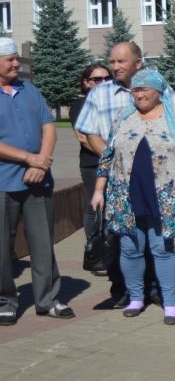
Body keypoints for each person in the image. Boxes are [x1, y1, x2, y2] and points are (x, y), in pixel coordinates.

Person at [75, 41, 175, 307]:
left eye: (121, 61)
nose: (115, 66)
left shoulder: (161, 90)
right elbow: (89, 132)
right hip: (112, 175)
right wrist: (117, 162)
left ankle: (156, 288)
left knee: (157, 237)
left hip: (154, 178)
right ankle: (123, 289)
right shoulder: (100, 94)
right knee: (121, 237)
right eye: (112, 61)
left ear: (137, 63)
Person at [90, 69, 175, 324]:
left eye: (145, 89)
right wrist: (98, 190)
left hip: (164, 196)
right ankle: (136, 297)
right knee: (131, 248)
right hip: (125, 194)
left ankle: (170, 304)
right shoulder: (123, 117)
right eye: (135, 90)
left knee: (162, 249)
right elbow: (108, 155)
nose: (140, 94)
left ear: (158, 91)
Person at [0, 37, 75, 325]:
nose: (16, 63)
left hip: (39, 181)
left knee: (43, 241)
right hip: (4, 182)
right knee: (2, 246)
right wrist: (28, 158)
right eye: (10, 59)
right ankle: (6, 300)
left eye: (17, 58)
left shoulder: (29, 89)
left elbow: (49, 126)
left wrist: (41, 161)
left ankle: (48, 298)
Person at [69, 62, 112, 252]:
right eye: (97, 79)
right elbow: (83, 138)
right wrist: (109, 155)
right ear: (86, 82)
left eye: (107, 78)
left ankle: (111, 248)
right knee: (95, 205)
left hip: (113, 162)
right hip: (93, 163)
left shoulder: (113, 101)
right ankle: (95, 251)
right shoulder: (80, 104)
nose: (103, 82)